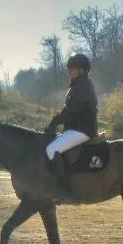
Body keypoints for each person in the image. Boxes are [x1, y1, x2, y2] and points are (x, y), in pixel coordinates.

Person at [45, 53, 98, 196]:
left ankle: (64, 189)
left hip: (82, 130)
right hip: (78, 129)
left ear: (81, 70)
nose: (69, 71)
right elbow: (69, 110)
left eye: (72, 69)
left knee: (51, 150)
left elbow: (71, 111)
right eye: (69, 69)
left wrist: (54, 122)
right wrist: (55, 122)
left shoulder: (82, 86)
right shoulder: (78, 85)